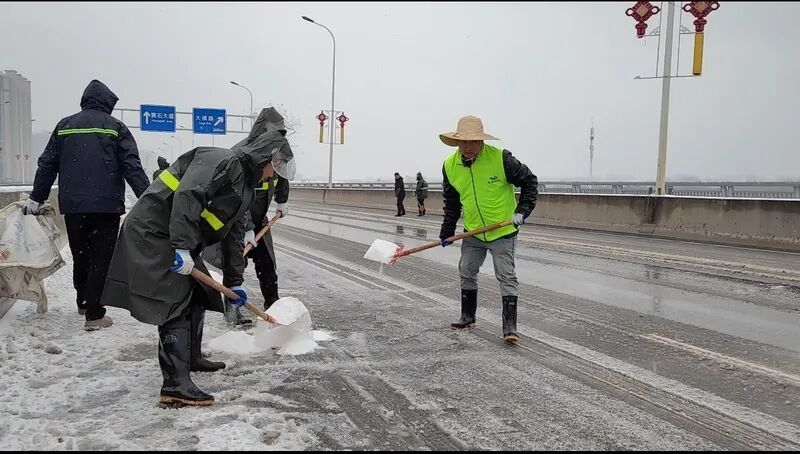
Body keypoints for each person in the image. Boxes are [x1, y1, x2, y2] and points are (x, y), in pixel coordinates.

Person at [101, 107, 296, 407]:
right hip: (154, 230)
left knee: (200, 291)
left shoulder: (246, 184)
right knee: (175, 298)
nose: (273, 174)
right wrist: (181, 247)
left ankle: (191, 358)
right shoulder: (225, 162)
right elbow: (187, 196)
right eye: (275, 167)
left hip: (177, 234)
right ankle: (174, 385)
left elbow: (232, 234)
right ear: (264, 157)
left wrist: (234, 282)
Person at [22, 79, 150, 331]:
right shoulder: (115, 128)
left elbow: (47, 165)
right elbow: (132, 167)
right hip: (106, 206)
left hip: (74, 206)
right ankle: (94, 314)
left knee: (81, 254)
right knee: (101, 258)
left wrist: (37, 197)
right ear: (107, 103)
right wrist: (148, 198)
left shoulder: (65, 126)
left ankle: (83, 300)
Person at [437, 115, 538, 344]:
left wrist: (522, 211)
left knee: (506, 276)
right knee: (466, 270)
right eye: (464, 142)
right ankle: (467, 317)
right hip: (473, 231)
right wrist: (447, 231)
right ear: (457, 142)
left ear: (482, 141)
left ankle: (510, 327)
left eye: (474, 141)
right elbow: (451, 202)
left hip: (502, 231)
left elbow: (530, 181)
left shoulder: (501, 159)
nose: (469, 147)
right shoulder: (450, 166)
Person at [224, 107, 291, 326]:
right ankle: (232, 312)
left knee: (267, 264)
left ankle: (273, 305)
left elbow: (282, 176)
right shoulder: (243, 154)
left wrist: (282, 201)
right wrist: (246, 228)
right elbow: (237, 197)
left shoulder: (276, 153)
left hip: (260, 220)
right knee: (235, 266)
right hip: (237, 219)